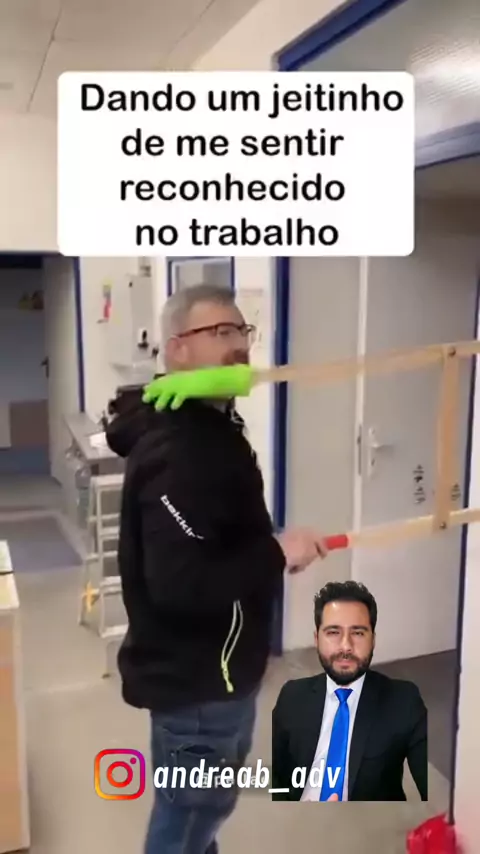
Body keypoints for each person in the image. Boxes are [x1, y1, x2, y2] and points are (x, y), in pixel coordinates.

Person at [105, 283, 328, 854]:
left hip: (212, 668)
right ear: (177, 348)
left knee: (197, 812)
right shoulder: (182, 448)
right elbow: (182, 585)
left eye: (242, 330)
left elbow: (215, 539)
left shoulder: (211, 425)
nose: (239, 345)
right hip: (201, 678)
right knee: (190, 815)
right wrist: (275, 554)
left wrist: (271, 549)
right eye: (220, 332)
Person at [271, 580, 428, 802]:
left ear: (373, 640)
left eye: (358, 633)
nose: (346, 646)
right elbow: (277, 781)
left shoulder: (404, 701)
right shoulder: (291, 696)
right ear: (317, 639)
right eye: (333, 632)